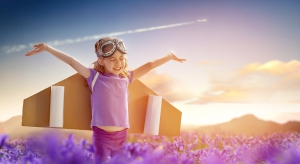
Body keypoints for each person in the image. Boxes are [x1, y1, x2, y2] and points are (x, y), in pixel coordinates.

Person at [25, 37, 186, 162]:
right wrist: (47, 48)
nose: (118, 63)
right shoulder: (94, 77)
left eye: (121, 58)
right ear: (101, 60)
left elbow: (150, 65)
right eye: (113, 59)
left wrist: (170, 56)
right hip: (101, 137)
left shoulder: (127, 77)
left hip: (122, 136)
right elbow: (72, 62)